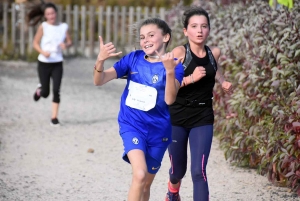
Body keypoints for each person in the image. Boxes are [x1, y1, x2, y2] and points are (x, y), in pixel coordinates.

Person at [93, 18, 184, 201]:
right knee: (140, 174)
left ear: (166, 37)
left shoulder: (175, 65)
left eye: (151, 35)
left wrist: (169, 71)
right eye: (142, 37)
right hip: (132, 125)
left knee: (145, 185)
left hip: (159, 132)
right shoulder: (133, 59)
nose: (145, 40)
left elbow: (169, 99)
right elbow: (99, 80)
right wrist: (100, 60)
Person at [165, 7, 233, 201]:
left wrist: (223, 82)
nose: (200, 30)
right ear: (186, 31)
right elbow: (168, 85)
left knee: (198, 171)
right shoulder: (179, 53)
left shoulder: (214, 53)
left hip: (203, 116)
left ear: (209, 29)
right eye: (194, 26)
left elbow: (214, 70)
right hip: (177, 116)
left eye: (204, 26)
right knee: (178, 170)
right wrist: (190, 79)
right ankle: (173, 190)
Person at [28, 2, 72, 126]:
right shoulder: (43, 26)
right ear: (45, 16)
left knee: (56, 90)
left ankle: (54, 118)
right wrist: (43, 52)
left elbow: (70, 41)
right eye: (48, 14)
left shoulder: (63, 26)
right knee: (46, 93)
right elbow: (35, 43)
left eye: (52, 13)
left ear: (56, 13)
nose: (51, 16)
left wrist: (66, 45)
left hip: (58, 63)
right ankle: (39, 90)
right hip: (44, 63)